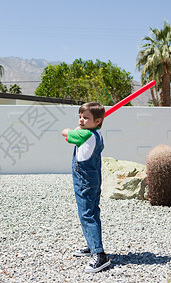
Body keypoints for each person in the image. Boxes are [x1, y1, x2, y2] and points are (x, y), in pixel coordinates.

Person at [61, 102, 111, 273]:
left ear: (97, 121)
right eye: (80, 116)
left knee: (86, 214)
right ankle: (92, 246)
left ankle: (100, 255)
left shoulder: (84, 135)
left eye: (86, 118)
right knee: (92, 212)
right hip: (94, 178)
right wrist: (80, 128)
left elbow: (65, 133)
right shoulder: (97, 134)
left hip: (84, 181)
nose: (81, 120)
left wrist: (75, 129)